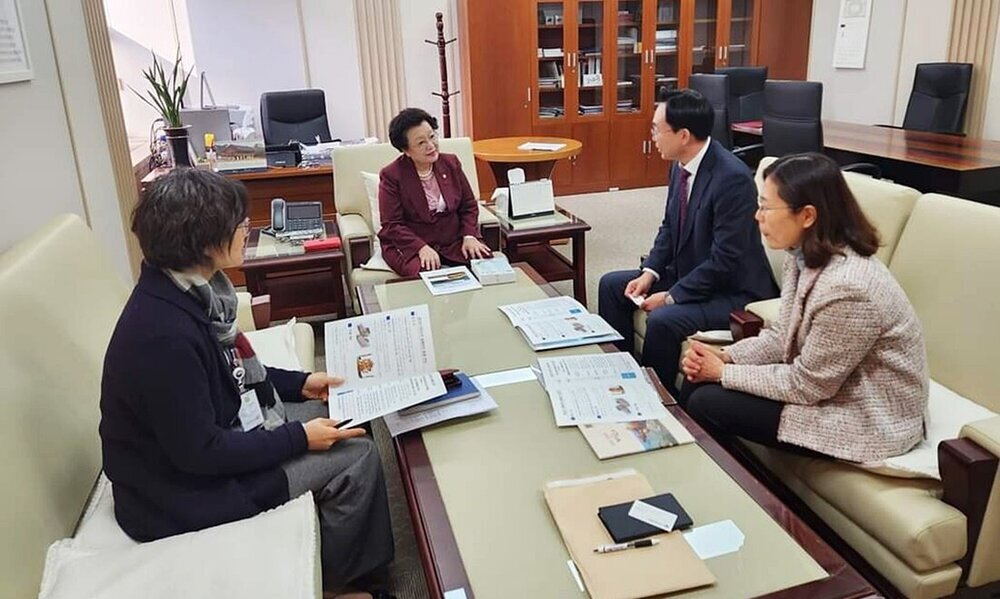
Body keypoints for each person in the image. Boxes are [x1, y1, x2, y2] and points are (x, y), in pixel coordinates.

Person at [99, 168, 394, 597]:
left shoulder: (194, 294)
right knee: (357, 456)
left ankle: (349, 563)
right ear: (203, 240)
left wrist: (303, 383)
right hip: (176, 495)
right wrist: (298, 438)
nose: (246, 230)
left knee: (341, 411)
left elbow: (227, 374)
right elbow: (201, 454)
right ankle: (336, 585)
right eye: (238, 225)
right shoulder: (162, 336)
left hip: (209, 445)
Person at [680, 153, 928, 463]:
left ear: (807, 216)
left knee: (707, 400)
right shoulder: (802, 255)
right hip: (831, 388)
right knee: (696, 387)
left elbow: (808, 385)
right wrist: (727, 356)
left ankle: (740, 493)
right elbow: (782, 335)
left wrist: (724, 373)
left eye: (766, 207)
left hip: (867, 416)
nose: (758, 216)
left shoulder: (849, 288)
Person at [598, 89, 777, 394]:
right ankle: (623, 376)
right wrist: (650, 273)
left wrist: (670, 296)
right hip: (691, 272)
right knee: (611, 285)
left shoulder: (731, 179)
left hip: (731, 291)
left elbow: (724, 262)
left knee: (664, 320)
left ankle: (657, 398)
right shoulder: (680, 164)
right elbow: (670, 226)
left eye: (657, 129)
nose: (652, 135)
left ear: (683, 135)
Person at [377, 107, 492, 275]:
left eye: (432, 136)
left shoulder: (451, 163)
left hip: (453, 240)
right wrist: (420, 247)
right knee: (426, 275)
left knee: (487, 267)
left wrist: (469, 235)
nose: (431, 146)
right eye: (421, 142)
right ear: (406, 150)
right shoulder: (391, 175)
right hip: (411, 244)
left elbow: (468, 205)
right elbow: (392, 225)